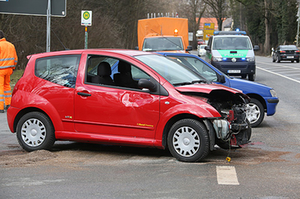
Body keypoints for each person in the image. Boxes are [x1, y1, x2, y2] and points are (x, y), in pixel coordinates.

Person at [0, 30, 18, 113]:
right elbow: (15, 59)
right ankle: (8, 104)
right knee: (7, 86)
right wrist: (13, 68)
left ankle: (0, 107)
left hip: (1, 70)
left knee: (0, 87)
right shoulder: (11, 45)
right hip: (9, 69)